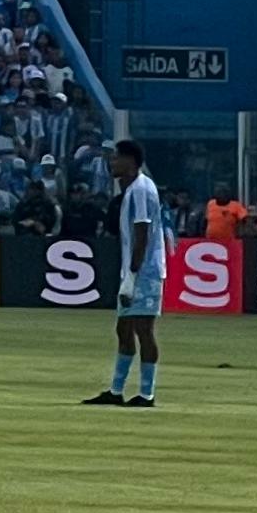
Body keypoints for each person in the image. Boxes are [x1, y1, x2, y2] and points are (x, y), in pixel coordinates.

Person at [88, 136, 167, 408]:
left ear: (130, 161)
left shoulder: (142, 190)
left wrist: (133, 276)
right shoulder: (132, 189)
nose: (112, 163)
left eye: (116, 158)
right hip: (134, 270)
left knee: (144, 329)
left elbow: (142, 233)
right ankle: (116, 390)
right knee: (123, 329)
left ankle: (147, 394)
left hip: (145, 271)